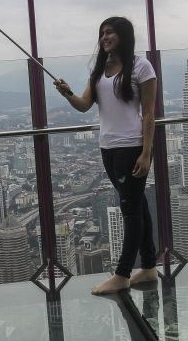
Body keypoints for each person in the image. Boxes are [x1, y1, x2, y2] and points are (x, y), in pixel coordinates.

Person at [53, 16, 158, 294]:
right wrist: (67, 93)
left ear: (123, 35)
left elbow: (149, 113)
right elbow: (84, 105)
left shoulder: (141, 66)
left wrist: (146, 153)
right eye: (102, 33)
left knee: (130, 210)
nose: (104, 38)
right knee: (138, 206)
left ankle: (123, 273)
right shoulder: (100, 69)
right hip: (108, 147)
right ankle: (148, 267)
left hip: (131, 146)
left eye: (110, 32)